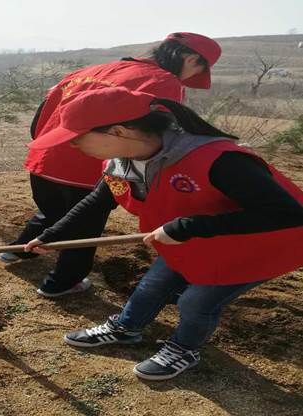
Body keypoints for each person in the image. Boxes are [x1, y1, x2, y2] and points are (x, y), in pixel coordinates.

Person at [23, 86, 303, 380]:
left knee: (196, 301)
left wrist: (187, 227)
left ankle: (184, 348)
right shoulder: (120, 164)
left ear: (118, 131)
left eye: (77, 138)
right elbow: (98, 202)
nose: (72, 145)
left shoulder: (219, 160)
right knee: (152, 285)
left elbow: (287, 213)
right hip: (190, 238)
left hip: (258, 244)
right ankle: (126, 328)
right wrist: (53, 235)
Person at [0, 32, 222, 298]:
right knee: (84, 225)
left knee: (53, 211)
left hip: (44, 160)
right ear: (191, 58)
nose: (191, 77)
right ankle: (62, 283)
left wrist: (48, 152)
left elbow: (41, 117)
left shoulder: (93, 70)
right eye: (198, 68)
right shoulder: (163, 82)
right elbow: (153, 135)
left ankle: (17, 250)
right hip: (88, 168)